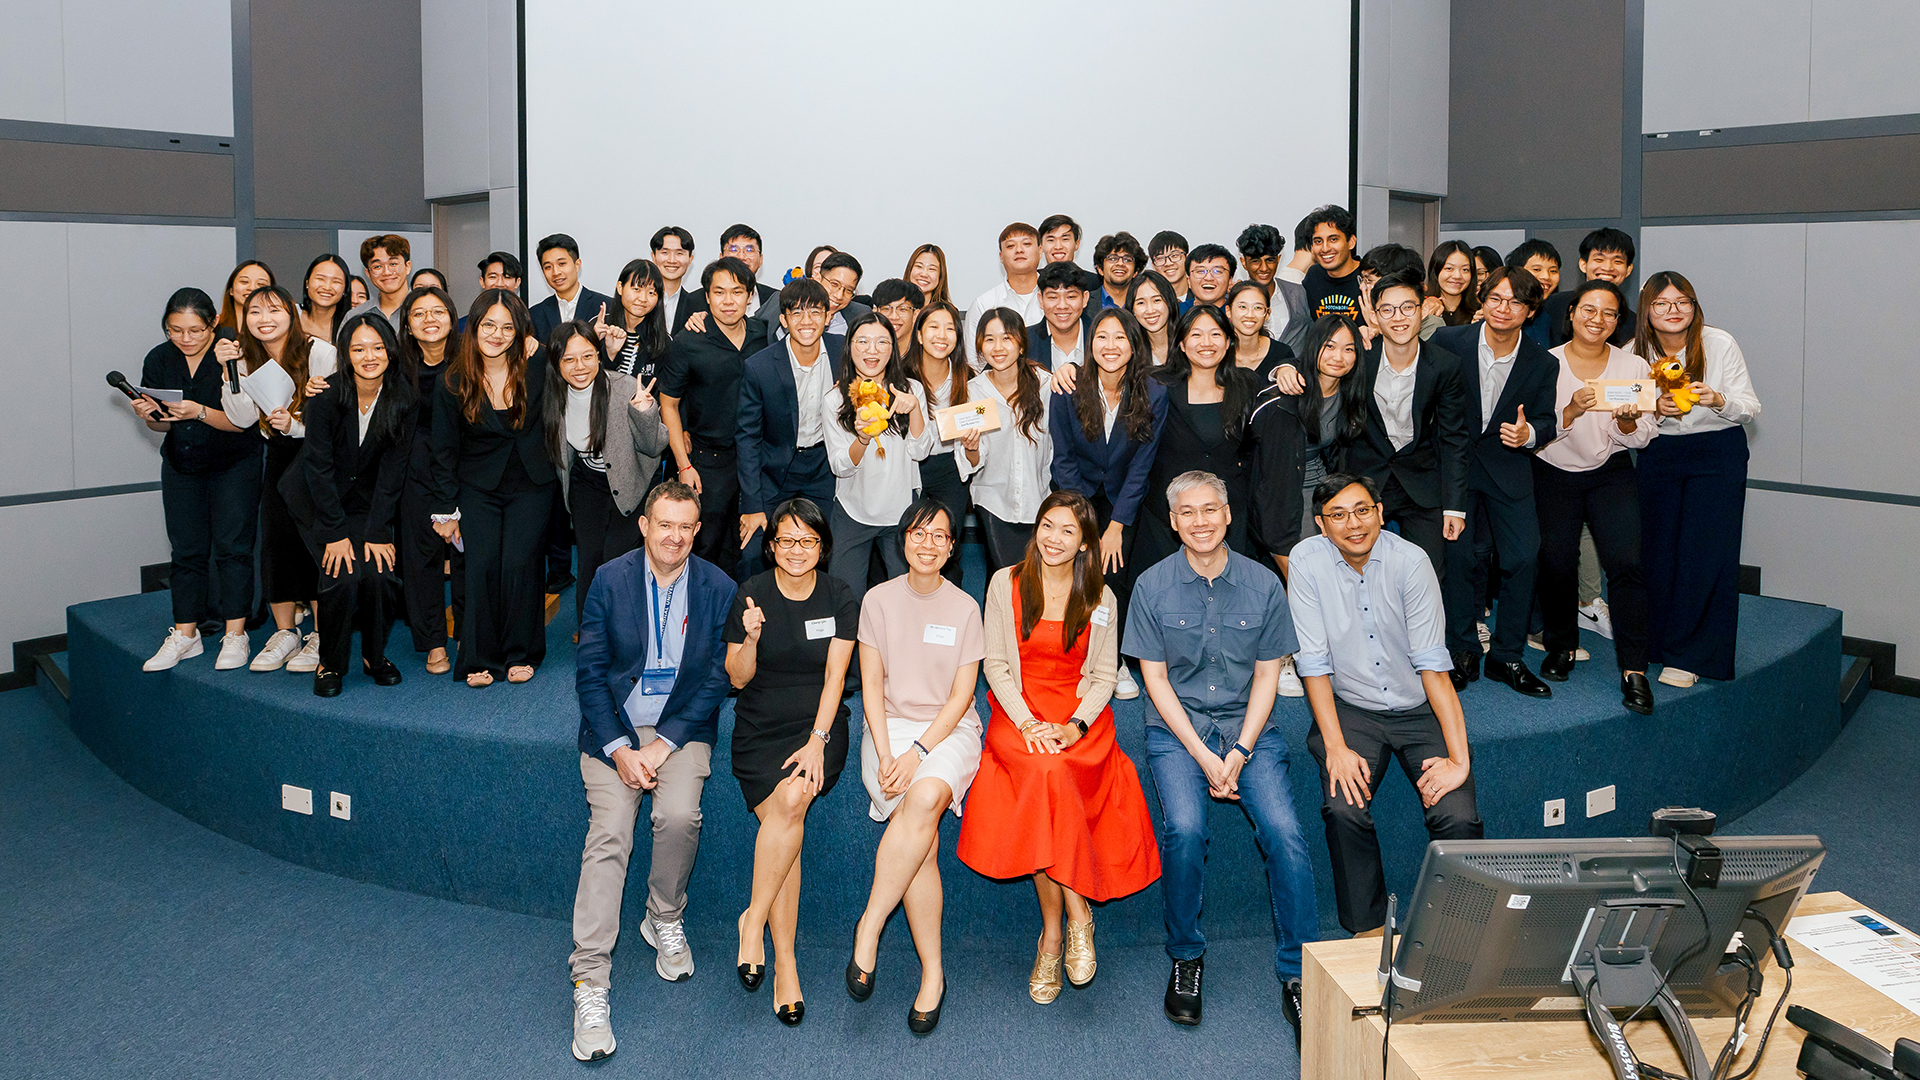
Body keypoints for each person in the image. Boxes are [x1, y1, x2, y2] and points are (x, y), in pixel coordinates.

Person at [1123, 470, 1318, 1034]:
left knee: (1285, 832)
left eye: (1210, 510)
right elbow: (1154, 682)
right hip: (1177, 730)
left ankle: (1299, 972)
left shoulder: (1263, 585)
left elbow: (1266, 678)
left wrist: (1238, 749)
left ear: (1228, 515)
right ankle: (1186, 957)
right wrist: (1205, 756)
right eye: (1187, 512)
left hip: (1246, 727)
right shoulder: (1152, 586)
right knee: (1184, 829)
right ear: (1174, 520)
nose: (1200, 521)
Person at [957, 491, 1161, 1003]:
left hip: (1077, 719)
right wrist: (1028, 724)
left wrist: (1073, 726)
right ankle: (1071, 918)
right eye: (1047, 525)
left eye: (1067, 531)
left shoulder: (1102, 599)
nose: (1053, 538)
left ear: (1086, 543)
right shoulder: (1005, 584)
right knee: (1044, 774)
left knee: (1056, 772)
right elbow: (997, 667)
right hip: (1018, 712)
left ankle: (1051, 939)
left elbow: (1102, 676)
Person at [569, 481, 735, 1062]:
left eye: (686, 526)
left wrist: (663, 745)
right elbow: (589, 674)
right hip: (615, 730)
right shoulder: (609, 579)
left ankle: (663, 916)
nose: (675, 537)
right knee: (611, 835)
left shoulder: (718, 587)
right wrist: (620, 747)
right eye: (664, 525)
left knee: (679, 816)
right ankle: (590, 980)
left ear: (697, 528)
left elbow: (717, 678)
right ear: (644, 525)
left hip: (680, 729)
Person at [1290, 473, 1483, 939]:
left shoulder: (1411, 561)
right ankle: (1368, 929)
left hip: (1418, 704)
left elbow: (1434, 667)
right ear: (1321, 524)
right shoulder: (1306, 561)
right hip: (1353, 707)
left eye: (1362, 510)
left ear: (1380, 512)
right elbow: (1312, 664)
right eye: (1337, 515)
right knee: (1343, 807)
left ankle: (1459, 929)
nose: (1353, 524)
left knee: (1456, 815)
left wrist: (1460, 760)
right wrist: (1334, 745)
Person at [846, 497, 985, 1036]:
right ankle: (933, 974)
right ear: (903, 540)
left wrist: (919, 754)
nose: (927, 544)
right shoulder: (877, 600)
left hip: (946, 734)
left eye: (939, 537)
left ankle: (870, 924)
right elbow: (873, 688)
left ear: (952, 549)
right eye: (918, 534)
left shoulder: (964, 608)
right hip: (888, 730)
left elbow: (960, 697)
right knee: (921, 846)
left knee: (924, 796)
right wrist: (885, 753)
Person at [726, 497, 858, 1026]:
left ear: (822, 547)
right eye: (786, 540)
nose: (796, 550)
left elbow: (836, 678)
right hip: (759, 729)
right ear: (772, 546)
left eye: (807, 541)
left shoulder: (840, 595)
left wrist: (817, 740)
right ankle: (785, 962)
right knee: (788, 826)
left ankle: (753, 922)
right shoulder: (751, 594)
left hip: (820, 724)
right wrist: (752, 636)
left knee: (794, 798)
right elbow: (736, 677)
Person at [1430, 268, 1559, 698]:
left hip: (1508, 470)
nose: (1505, 309)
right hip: (1457, 470)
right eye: (1497, 299)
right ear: (1482, 301)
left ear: (1530, 310)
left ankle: (1507, 657)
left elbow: (1545, 419)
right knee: (1460, 560)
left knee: (1523, 558)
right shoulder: (1449, 342)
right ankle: (1462, 649)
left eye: (1516, 302)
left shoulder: (1543, 362)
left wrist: (1530, 435)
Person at [279, 313, 417, 696]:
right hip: (314, 499)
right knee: (341, 576)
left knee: (380, 573)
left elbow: (394, 470)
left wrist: (376, 531)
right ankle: (331, 663)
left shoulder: (404, 397)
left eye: (377, 347)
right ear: (346, 354)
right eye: (358, 349)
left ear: (390, 350)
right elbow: (317, 467)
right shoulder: (325, 394)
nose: (369, 356)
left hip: (363, 502)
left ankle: (374, 656)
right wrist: (335, 533)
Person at [1633, 271, 1759, 687]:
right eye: (1662, 303)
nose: (1673, 311)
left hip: (1716, 451)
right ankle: (1656, 644)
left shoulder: (1719, 342)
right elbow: (1624, 416)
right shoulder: (1633, 351)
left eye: (1682, 302)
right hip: (1660, 453)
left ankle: (1690, 655)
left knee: (1705, 553)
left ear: (1694, 306)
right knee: (1657, 549)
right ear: (1647, 311)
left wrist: (1718, 399)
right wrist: (1653, 409)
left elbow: (1749, 406)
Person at [1535, 280, 1656, 713]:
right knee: (1556, 562)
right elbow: (1536, 433)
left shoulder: (1634, 366)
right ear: (1571, 313)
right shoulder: (1544, 364)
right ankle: (1561, 645)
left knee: (1626, 563)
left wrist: (1625, 426)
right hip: (1553, 470)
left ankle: (1634, 669)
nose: (1597, 319)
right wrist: (1569, 411)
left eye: (1608, 313)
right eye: (1588, 309)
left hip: (1611, 472)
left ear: (1618, 321)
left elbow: (1642, 436)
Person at [429, 288, 557, 687]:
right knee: (481, 566)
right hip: (477, 486)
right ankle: (478, 658)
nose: (497, 334)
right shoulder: (452, 378)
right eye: (489, 325)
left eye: (507, 327)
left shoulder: (538, 365)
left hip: (532, 482)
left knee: (520, 564)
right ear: (474, 327)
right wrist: (446, 511)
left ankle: (522, 653)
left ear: (520, 331)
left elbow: (577, 363)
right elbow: (443, 449)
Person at [134, 288, 265, 672]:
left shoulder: (230, 351)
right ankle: (186, 634)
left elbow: (244, 422)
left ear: (213, 324)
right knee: (186, 551)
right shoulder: (159, 358)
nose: (185, 339)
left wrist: (198, 411)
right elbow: (159, 424)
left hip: (233, 462)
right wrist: (149, 413)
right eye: (175, 330)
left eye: (195, 330)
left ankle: (236, 634)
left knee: (233, 548)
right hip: (182, 464)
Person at [217, 284, 338, 676]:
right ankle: (285, 631)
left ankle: (322, 633)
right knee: (276, 543)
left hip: (316, 456)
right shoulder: (244, 357)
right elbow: (240, 417)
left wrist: (297, 424)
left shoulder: (320, 352)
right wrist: (229, 371)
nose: (263, 320)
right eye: (254, 313)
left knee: (314, 544)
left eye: (273, 311)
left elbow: (335, 419)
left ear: (292, 313)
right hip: (278, 455)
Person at [1050, 307, 1167, 698]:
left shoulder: (1153, 393)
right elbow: (1063, 457)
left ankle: (1113, 663)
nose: (1110, 345)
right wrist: (1084, 525)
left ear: (1134, 346)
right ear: (1090, 344)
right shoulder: (1068, 389)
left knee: (1114, 577)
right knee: (1073, 572)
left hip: (1123, 499)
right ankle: (1073, 657)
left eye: (1120, 338)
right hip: (1076, 495)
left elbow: (1142, 466)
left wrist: (1115, 527)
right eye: (1102, 337)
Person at [1342, 272, 1470, 581]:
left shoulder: (1444, 365)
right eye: (1387, 309)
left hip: (1421, 480)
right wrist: (1286, 368)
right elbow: (1316, 366)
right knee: (1358, 575)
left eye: (1407, 308)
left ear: (1423, 309)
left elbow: (1454, 438)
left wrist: (1455, 507)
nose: (1398, 318)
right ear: (1374, 315)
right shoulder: (1357, 358)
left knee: (1427, 576)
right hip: (1365, 477)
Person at [543, 320, 670, 630]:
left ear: (599, 357)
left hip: (632, 482)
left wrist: (645, 414)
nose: (579, 366)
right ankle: (592, 630)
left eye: (587, 356)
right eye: (569, 359)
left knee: (619, 558)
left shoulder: (625, 387)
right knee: (589, 558)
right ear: (557, 364)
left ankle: (626, 629)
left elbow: (656, 446)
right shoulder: (554, 397)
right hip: (587, 482)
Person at [658, 257, 771, 574]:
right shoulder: (688, 341)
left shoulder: (764, 335)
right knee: (705, 546)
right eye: (719, 292)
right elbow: (668, 404)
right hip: (706, 461)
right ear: (706, 297)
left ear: (750, 295)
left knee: (750, 550)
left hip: (756, 460)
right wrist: (684, 465)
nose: (728, 300)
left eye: (737, 292)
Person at [1132, 305, 1259, 576]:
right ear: (1181, 342)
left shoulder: (1247, 385)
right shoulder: (1156, 383)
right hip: (1165, 520)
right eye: (1196, 335)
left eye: (1215, 334)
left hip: (1228, 516)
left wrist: (1285, 368)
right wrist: (1070, 369)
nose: (1206, 343)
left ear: (1228, 342)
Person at [822, 312, 934, 601]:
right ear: (850, 347)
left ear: (893, 349)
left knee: (905, 598)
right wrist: (862, 438)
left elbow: (921, 451)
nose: (872, 351)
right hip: (852, 510)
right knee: (846, 598)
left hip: (901, 510)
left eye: (882, 342)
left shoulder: (911, 390)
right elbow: (840, 466)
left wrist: (915, 409)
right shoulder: (835, 400)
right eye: (863, 341)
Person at [736, 279, 843, 577]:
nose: (806, 322)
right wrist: (752, 505)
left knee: (827, 552)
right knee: (755, 553)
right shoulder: (760, 367)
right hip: (774, 469)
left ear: (828, 317)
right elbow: (747, 438)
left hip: (824, 468)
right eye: (797, 313)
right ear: (783, 320)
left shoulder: (844, 353)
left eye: (815, 313)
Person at [396, 285, 462, 674]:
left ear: (452, 319)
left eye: (438, 312)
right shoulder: (395, 364)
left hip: (466, 466)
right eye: (419, 314)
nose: (429, 320)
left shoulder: (469, 359)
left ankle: (469, 634)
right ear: (407, 324)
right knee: (421, 560)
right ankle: (434, 642)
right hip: (414, 470)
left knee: (468, 558)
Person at [960, 308, 1053, 576]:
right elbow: (971, 464)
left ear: (1021, 344)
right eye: (989, 339)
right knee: (1002, 578)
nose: (997, 347)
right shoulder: (972, 392)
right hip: (994, 502)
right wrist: (971, 448)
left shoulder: (1044, 384)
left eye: (1007, 338)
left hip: (1040, 500)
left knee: (1038, 580)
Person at [900, 301, 971, 587]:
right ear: (918, 334)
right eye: (933, 327)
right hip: (908, 466)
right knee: (905, 540)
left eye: (950, 329)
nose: (941, 335)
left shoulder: (969, 378)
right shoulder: (899, 376)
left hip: (950, 468)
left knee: (947, 546)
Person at [1544, 228, 1637, 348]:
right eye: (1599, 259)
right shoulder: (1554, 305)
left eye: (1617, 261)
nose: (1608, 267)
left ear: (1628, 269)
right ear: (1583, 265)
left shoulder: (1634, 323)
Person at [964, 222, 1043, 346]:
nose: (1019, 250)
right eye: (1011, 246)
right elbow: (975, 362)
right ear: (1001, 256)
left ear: (1040, 251)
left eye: (1026, 244)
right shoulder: (984, 305)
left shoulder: (1057, 301)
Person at [530, 233, 616, 345]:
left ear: (577, 265)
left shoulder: (607, 307)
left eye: (561, 264)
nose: (556, 272)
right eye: (548, 267)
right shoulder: (535, 315)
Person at [1236, 222, 1310, 351]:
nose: (1264, 268)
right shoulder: (1234, 299)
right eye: (1255, 261)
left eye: (1270, 260)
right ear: (1243, 262)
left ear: (1278, 259)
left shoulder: (1299, 294)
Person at [596, 258, 671, 383]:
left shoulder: (662, 341)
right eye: (636, 289)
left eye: (651, 293)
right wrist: (597, 344)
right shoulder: (601, 327)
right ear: (620, 287)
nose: (643, 298)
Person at [1224, 280, 1296, 384]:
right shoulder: (1218, 353)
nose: (1249, 315)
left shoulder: (1282, 353)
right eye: (1242, 307)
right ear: (1228, 311)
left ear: (1267, 314)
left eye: (1257, 308)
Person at [1301, 205, 1363, 321]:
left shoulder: (1368, 276)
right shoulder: (1314, 276)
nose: (1325, 248)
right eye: (1318, 241)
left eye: (1333, 239)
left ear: (1351, 242)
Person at [1026, 261, 1090, 371]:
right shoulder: (1024, 341)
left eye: (1070, 297)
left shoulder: (1101, 337)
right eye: (1053, 297)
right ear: (1041, 300)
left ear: (1085, 299)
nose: (1062, 306)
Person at [343, 235, 412, 328]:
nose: (387, 272)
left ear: (407, 267)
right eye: (378, 266)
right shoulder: (355, 316)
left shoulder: (427, 311)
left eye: (393, 264)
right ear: (368, 273)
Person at [1506, 239, 1562, 345]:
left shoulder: (1557, 313)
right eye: (1537, 269)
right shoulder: (1502, 311)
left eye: (1553, 271)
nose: (1546, 276)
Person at [650, 226, 704, 333]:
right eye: (665, 253)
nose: (672, 260)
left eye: (679, 253)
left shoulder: (699, 306)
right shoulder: (641, 301)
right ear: (653, 257)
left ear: (690, 259)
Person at [720, 223, 780, 317]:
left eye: (749, 250)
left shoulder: (776, 300)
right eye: (733, 249)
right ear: (721, 257)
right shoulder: (697, 300)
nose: (741, 256)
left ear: (761, 259)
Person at [1127, 270, 1180, 365]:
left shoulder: (1188, 344)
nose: (1150, 310)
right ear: (1132, 310)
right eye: (1141, 303)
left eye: (1156, 300)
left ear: (1169, 302)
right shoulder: (1130, 352)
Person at [1424, 240, 1480, 329]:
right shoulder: (1424, 308)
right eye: (1449, 268)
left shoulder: (1479, 313)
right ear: (1436, 271)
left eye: (1465, 270)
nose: (1457, 276)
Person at [299, 254, 352, 343]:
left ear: (345, 289)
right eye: (320, 279)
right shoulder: (290, 316)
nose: (327, 287)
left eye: (336, 281)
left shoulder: (350, 327)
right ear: (307, 282)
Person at [1092, 231, 1147, 309]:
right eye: (1113, 258)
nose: (1120, 263)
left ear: (1136, 271)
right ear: (1100, 269)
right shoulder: (1085, 304)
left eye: (1127, 259)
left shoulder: (1146, 304)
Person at [216, 260, 275, 332]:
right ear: (231, 290)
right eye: (244, 282)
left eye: (261, 284)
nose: (252, 288)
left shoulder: (276, 330)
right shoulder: (213, 328)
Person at [872, 278, 925, 356]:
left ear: (915, 315)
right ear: (875, 312)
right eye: (886, 309)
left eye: (902, 309)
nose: (894, 317)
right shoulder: (866, 352)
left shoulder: (925, 355)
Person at [1147, 231, 1193, 313]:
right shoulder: (1149, 303)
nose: (1168, 263)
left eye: (1174, 255)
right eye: (1160, 258)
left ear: (1187, 258)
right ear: (1153, 265)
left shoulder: (1201, 296)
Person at [1185, 244, 1236, 310]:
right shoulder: (1175, 313)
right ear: (1188, 280)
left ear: (1229, 281)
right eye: (1201, 271)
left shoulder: (1238, 313)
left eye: (1217, 271)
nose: (1208, 278)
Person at [903, 244, 952, 308]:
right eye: (919, 266)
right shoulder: (894, 310)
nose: (924, 274)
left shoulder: (945, 313)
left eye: (931, 269)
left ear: (940, 276)